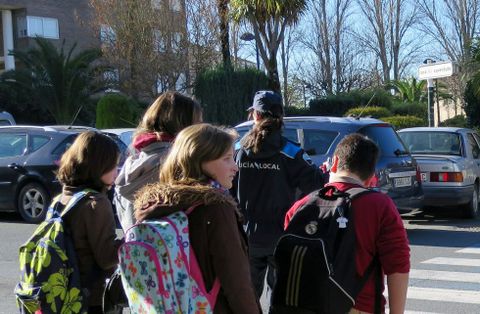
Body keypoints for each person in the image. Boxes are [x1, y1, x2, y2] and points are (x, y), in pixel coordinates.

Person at [134, 123, 261, 314]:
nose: (235, 167)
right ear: (199, 161)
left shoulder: (155, 206)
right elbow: (237, 284)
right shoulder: (216, 208)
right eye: (227, 159)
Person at [284, 133, 410, 314]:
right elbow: (398, 265)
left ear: (333, 163)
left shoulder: (299, 207)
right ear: (371, 177)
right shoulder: (380, 206)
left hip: (303, 307)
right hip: (357, 306)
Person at [231, 90, 328, 298]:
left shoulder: (237, 151)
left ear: (255, 115)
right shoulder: (291, 152)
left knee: (247, 299)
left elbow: (226, 189)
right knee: (281, 298)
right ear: (280, 117)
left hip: (247, 236)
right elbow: (316, 185)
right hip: (282, 235)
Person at [114, 91, 203, 231]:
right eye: (197, 123)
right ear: (184, 126)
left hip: (136, 248)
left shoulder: (133, 160)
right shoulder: (177, 163)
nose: (200, 129)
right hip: (173, 250)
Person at [56, 131, 124, 314]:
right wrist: (131, 239)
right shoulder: (96, 203)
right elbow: (107, 258)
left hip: (62, 293)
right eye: (114, 165)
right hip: (90, 298)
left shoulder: (63, 197)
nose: (117, 171)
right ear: (98, 166)